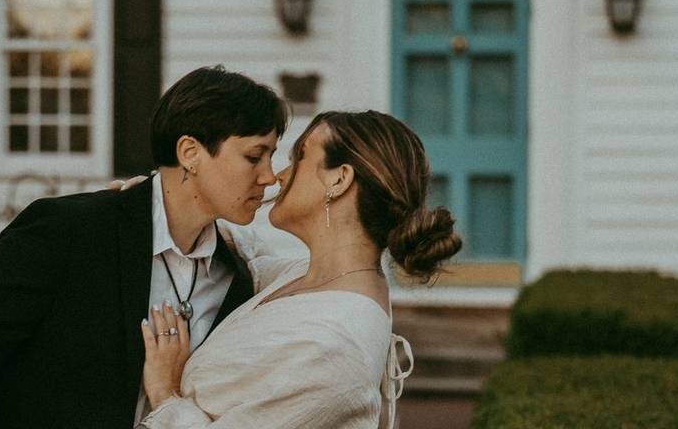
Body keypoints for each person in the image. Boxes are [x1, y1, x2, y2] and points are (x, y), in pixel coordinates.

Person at [0, 66, 288, 429]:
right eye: (254, 156)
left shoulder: (236, 278)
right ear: (190, 152)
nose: (268, 176)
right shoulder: (71, 229)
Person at [135, 111, 463, 429]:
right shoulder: (308, 277)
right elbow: (247, 255)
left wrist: (166, 394)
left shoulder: (333, 346)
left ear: (339, 178)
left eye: (300, 157)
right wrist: (164, 203)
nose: (278, 175)